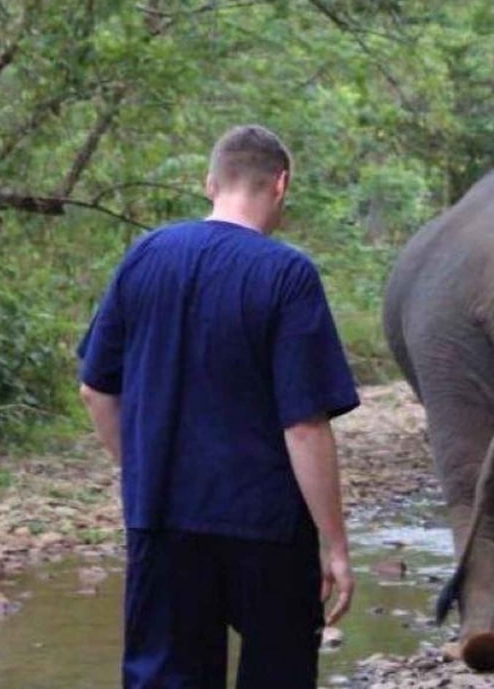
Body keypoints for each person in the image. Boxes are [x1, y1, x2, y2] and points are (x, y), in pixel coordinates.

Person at [78, 124, 360, 689]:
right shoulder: (287, 274)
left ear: (210, 182)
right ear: (279, 184)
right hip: (268, 529)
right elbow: (304, 425)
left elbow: (95, 389)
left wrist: (138, 473)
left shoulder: (146, 256)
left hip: (162, 519)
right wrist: (335, 543)